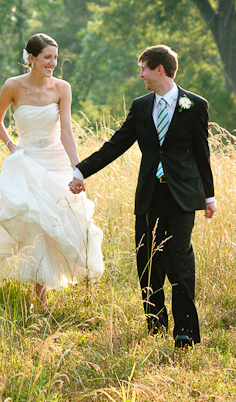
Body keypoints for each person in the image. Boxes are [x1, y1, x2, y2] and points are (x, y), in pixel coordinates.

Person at [69, 44, 216, 348]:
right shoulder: (140, 106)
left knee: (179, 260)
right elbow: (116, 144)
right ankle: (155, 325)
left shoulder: (195, 105)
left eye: (144, 69)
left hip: (183, 196)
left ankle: (185, 331)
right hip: (149, 194)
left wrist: (209, 196)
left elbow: (203, 153)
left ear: (159, 69)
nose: (141, 75)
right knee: (147, 261)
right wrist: (81, 171)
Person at [0, 33, 104, 311]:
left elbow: (66, 131)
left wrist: (78, 168)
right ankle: (39, 298)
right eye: (47, 57)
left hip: (56, 161)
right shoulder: (12, 86)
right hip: (26, 161)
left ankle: (73, 283)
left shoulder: (62, 88)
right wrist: (13, 147)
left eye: (55, 58)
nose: (52, 63)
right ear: (32, 59)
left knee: (63, 219)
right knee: (35, 222)